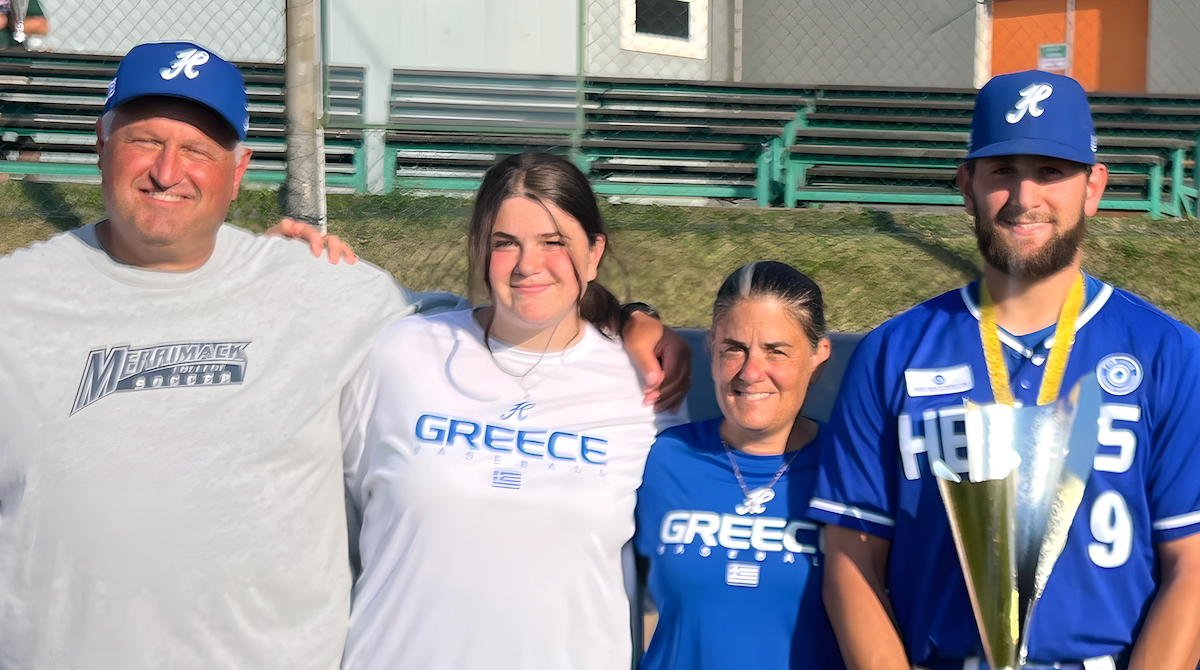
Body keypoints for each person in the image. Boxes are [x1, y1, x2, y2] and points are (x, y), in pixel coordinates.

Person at [0, 42, 688, 669]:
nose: (167, 171)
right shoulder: (16, 299)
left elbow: (525, 309)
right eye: (144, 140)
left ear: (239, 170)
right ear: (100, 143)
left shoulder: (326, 295)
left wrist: (631, 320)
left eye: (199, 149)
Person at [810, 70, 1200, 670]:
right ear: (966, 184)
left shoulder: (1168, 353)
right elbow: (850, 558)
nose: (1024, 197)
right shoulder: (895, 352)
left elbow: (1191, 570)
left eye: (1050, 171)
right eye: (1002, 171)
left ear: (1093, 186)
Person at [338, 152, 688, 670]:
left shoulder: (644, 385)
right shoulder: (402, 352)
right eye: (506, 244)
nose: (528, 265)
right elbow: (330, 519)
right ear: (481, 250)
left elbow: (671, 575)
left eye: (554, 243)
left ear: (593, 254)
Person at [634, 260, 845, 670]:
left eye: (775, 351)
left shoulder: (850, 469)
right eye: (734, 349)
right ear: (711, 347)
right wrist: (631, 317)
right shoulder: (663, 457)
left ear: (818, 355)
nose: (751, 372)